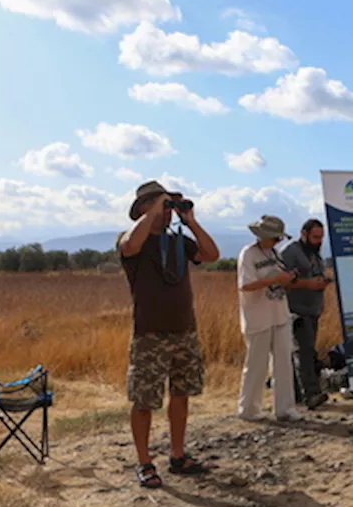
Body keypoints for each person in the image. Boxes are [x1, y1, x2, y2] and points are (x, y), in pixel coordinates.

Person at [116, 180, 220, 489]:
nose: (168, 212)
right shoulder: (132, 238)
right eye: (163, 205)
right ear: (145, 208)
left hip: (184, 330)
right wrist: (151, 214)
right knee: (144, 400)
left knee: (181, 393)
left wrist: (190, 221)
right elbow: (130, 246)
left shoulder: (178, 241)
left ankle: (177, 454)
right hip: (150, 333)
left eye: (170, 206)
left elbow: (211, 254)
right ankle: (145, 462)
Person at [236, 215, 303, 422]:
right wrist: (275, 279)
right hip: (258, 317)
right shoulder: (248, 254)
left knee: (284, 362)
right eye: (275, 238)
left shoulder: (275, 253)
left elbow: (280, 278)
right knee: (256, 364)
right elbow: (245, 286)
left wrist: (288, 278)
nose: (277, 242)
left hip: (280, 314)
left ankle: (285, 408)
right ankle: (249, 409)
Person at [279, 218, 331, 409]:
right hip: (295, 310)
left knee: (304, 351)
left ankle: (296, 395)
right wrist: (308, 284)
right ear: (304, 234)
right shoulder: (290, 252)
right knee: (304, 351)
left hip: (312, 309)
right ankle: (311, 394)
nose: (319, 241)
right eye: (315, 237)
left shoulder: (315, 254)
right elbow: (281, 281)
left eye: (321, 237)